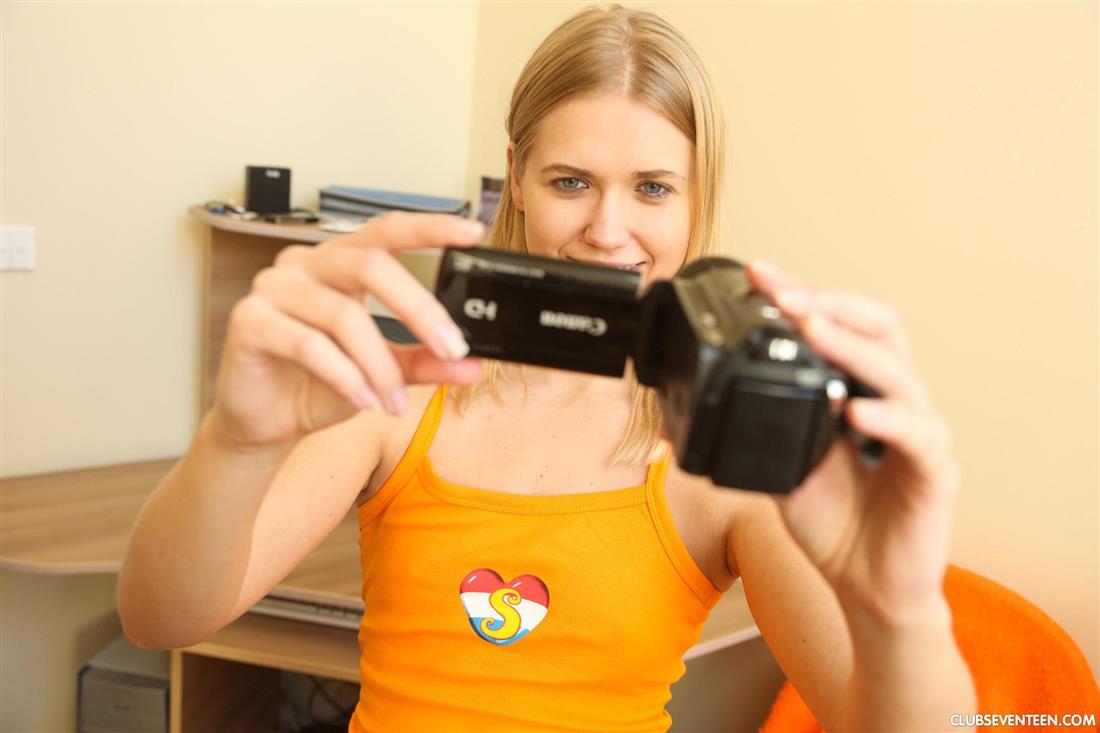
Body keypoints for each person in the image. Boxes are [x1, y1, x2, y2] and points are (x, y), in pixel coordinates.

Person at [118, 5, 977, 731]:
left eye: (652, 188)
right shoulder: (399, 389)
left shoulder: (723, 452)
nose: (608, 230)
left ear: (696, 197)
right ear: (518, 179)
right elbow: (159, 619)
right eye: (572, 182)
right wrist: (235, 441)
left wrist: (900, 604)